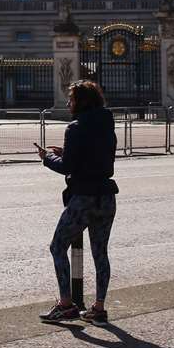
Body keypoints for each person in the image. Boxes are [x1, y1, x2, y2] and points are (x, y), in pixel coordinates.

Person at [37, 80, 119, 324]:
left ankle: (66, 304)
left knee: (57, 246)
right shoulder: (107, 124)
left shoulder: (74, 128)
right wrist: (67, 152)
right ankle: (99, 308)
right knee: (100, 253)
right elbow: (95, 155)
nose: (69, 103)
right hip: (106, 195)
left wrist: (48, 157)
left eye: (72, 99)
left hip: (83, 197)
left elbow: (68, 167)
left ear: (81, 101)